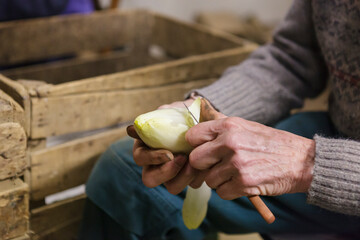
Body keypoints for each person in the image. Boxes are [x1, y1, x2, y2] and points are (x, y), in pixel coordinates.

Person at [80, 0, 360, 239]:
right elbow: (291, 59)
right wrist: (201, 109)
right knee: (124, 173)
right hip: (341, 131)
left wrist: (307, 165)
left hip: (345, 168)